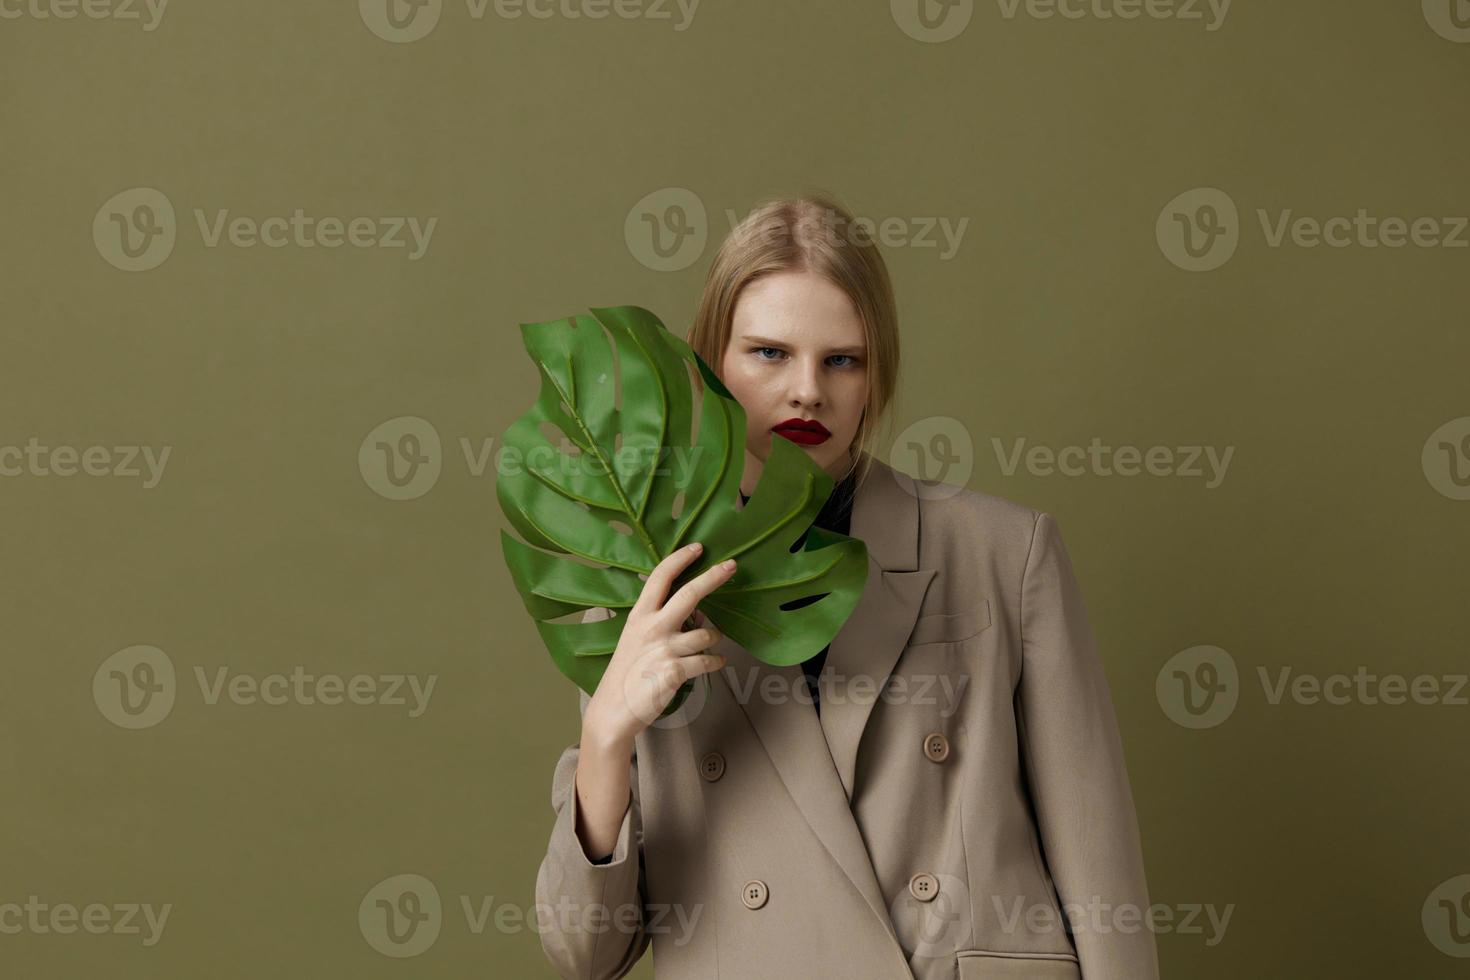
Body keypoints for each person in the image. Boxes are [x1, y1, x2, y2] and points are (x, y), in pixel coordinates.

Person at [534, 193, 1159, 979]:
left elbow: (1102, 871)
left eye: (842, 359)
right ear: (707, 364)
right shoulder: (644, 585)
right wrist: (607, 740)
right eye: (768, 353)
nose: (807, 392)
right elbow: (586, 953)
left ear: (876, 373)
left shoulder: (1003, 550)